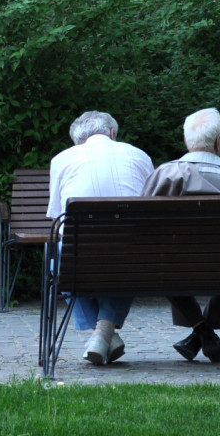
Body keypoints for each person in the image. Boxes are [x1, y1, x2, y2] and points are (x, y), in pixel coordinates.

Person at [141, 107, 220, 362]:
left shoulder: (164, 174)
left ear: (186, 141)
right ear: (219, 141)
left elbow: (143, 230)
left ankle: (200, 331)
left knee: (160, 262)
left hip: (172, 267)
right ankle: (207, 333)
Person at [47, 111, 154, 366]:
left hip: (79, 258)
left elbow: (56, 218)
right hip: (133, 259)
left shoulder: (62, 159)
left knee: (58, 263)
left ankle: (100, 331)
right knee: (133, 248)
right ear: (112, 134)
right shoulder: (139, 155)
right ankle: (106, 332)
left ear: (78, 141)